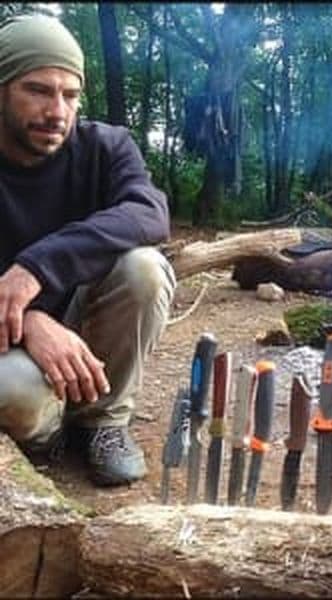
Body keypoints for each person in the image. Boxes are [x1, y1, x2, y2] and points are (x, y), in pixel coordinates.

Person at [0, 14, 176, 485]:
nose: (58, 111)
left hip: (83, 315)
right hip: (8, 338)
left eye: (70, 94)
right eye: (37, 90)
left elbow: (149, 213)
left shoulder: (106, 147)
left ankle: (103, 421)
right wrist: (32, 323)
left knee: (145, 269)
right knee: (12, 389)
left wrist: (37, 266)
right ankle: (50, 432)